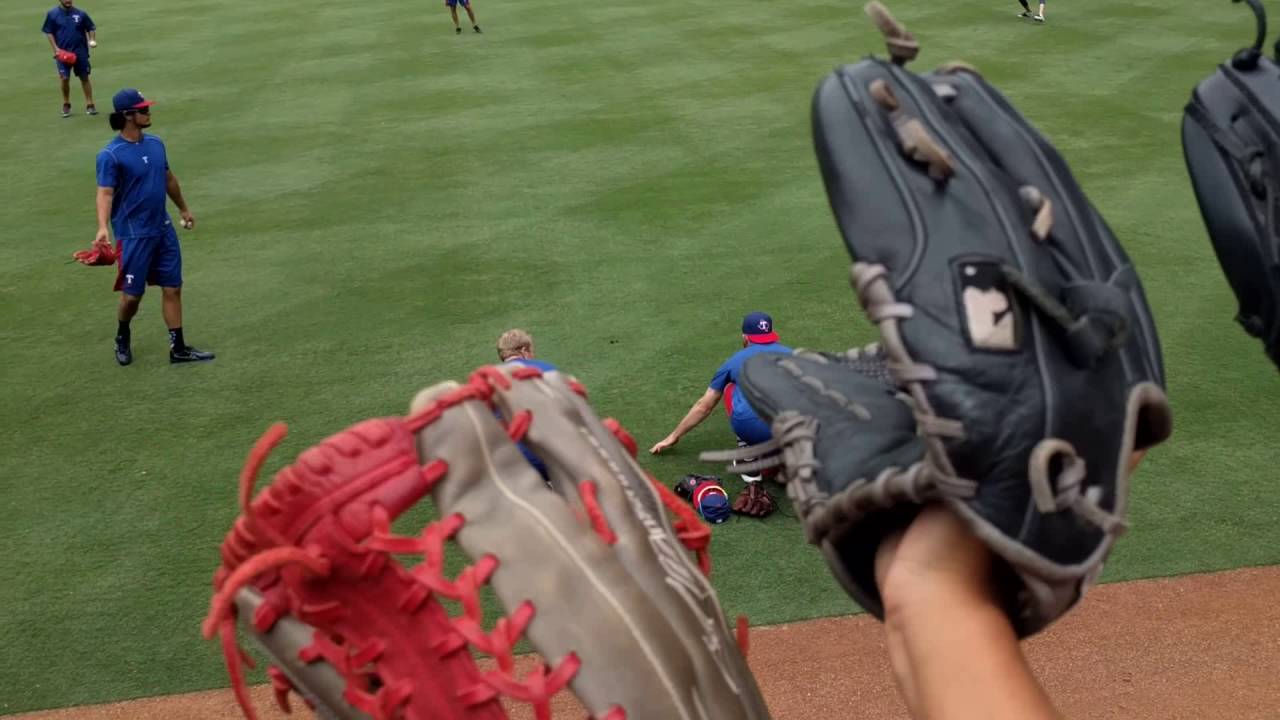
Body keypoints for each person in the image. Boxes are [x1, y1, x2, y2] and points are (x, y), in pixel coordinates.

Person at [95, 88, 214, 367]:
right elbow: (105, 193)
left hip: (162, 229)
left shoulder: (156, 143)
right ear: (127, 116)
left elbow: (169, 179)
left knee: (173, 287)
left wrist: (183, 207)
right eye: (143, 109)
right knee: (132, 296)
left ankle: (178, 348)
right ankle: (122, 334)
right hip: (134, 235)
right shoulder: (110, 155)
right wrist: (103, 227)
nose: (149, 112)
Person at [649, 312, 792, 458]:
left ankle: (748, 456)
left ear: (745, 337)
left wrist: (673, 436)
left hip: (753, 431)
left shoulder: (733, 361)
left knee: (730, 388)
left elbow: (704, 407)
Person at [496, 329, 555, 480]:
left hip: (512, 466)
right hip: (551, 457)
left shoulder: (488, 380)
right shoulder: (544, 369)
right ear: (524, 350)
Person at [42, 0, 98, 117]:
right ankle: (66, 103)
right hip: (63, 53)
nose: (68, 1)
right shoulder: (52, 14)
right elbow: (49, 32)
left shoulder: (81, 14)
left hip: (80, 52)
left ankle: (90, 104)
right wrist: (55, 49)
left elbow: (91, 27)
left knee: (84, 77)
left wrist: (92, 39)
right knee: (64, 78)